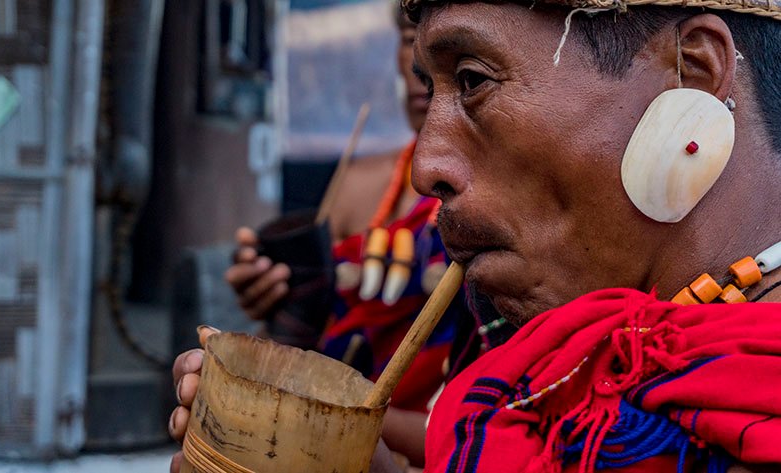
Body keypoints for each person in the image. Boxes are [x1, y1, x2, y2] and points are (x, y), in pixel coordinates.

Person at [173, 0, 781, 471]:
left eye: (471, 79)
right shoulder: (542, 353)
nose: (424, 167)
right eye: (429, 88)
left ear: (692, 73)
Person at [171, 9, 472, 470]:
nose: (419, 68)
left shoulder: (495, 210)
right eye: (409, 38)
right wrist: (280, 306)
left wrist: (311, 411)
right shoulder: (357, 182)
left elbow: (484, 433)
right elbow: (318, 341)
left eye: (464, 64)